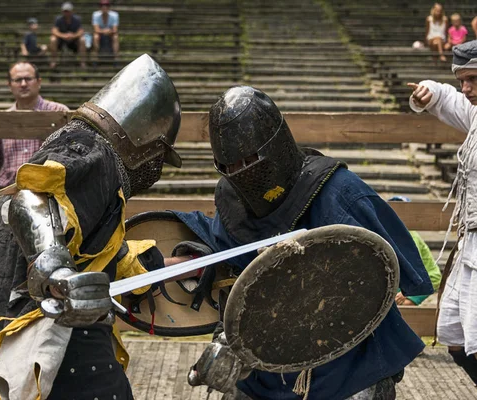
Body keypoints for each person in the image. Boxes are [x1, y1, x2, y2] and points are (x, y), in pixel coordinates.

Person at [0, 54, 182, 400]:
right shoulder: (90, 150)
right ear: (147, 138)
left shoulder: (86, 148)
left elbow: (96, 250)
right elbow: (29, 202)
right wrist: (55, 271)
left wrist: (171, 267)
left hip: (46, 326)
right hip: (36, 324)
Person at [171, 86, 433, 399]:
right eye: (230, 167)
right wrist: (225, 339)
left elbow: (386, 270)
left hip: (347, 359)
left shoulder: (339, 193)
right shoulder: (234, 204)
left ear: (275, 147)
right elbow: (232, 269)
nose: (240, 173)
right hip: (270, 360)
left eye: (249, 161)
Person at [407, 40, 477, 385]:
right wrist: (429, 92)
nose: (466, 88)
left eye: (474, 79)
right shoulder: (475, 111)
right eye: (462, 79)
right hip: (470, 242)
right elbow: (450, 99)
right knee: (457, 340)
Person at [0, 62, 69, 191]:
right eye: (18, 80)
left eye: (28, 79)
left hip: (50, 191)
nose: (23, 84)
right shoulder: (1, 119)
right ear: (9, 85)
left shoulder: (59, 112)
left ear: (39, 82)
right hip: (10, 192)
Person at [388, 196, 442, 306]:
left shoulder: (412, 237)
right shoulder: (386, 234)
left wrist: (409, 296)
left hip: (410, 288)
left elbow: (433, 276)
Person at [49, 1, 86, 68]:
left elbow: (81, 31)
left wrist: (73, 36)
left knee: (82, 39)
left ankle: (82, 62)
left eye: (68, 11)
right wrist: (63, 36)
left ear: (71, 11)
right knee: (53, 39)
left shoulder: (77, 19)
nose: (66, 13)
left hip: (74, 41)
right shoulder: (58, 19)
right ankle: (53, 61)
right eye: (65, 11)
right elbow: (54, 31)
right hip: (61, 41)